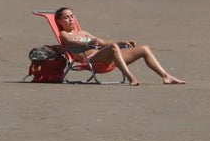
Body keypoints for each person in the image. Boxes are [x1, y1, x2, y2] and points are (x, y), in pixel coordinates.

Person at [54, 7, 184, 86]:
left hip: (107, 58)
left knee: (144, 48)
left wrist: (122, 42)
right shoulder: (64, 34)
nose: (71, 19)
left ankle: (166, 76)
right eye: (66, 17)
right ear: (59, 21)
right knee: (113, 48)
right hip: (91, 61)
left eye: (72, 16)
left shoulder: (83, 32)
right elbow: (71, 44)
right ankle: (130, 78)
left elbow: (103, 42)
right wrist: (87, 43)